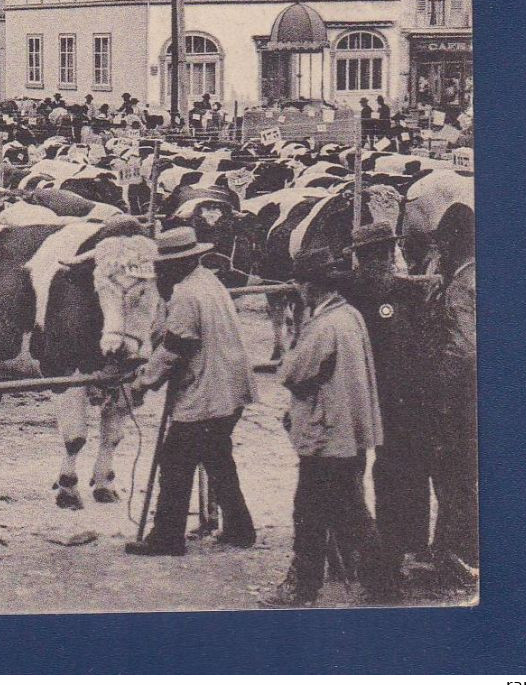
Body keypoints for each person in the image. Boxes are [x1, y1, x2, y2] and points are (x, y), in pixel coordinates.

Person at [262, 246, 387, 607]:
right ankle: (381, 580)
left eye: (300, 284)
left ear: (310, 287)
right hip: (347, 431)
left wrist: (288, 349)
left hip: (327, 432)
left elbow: (292, 371)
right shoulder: (349, 315)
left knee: (311, 511)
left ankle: (302, 586)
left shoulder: (323, 325)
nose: (299, 291)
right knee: (348, 507)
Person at [126, 226, 257, 556]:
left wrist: (143, 381)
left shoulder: (186, 294)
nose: (159, 271)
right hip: (229, 387)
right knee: (218, 458)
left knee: (174, 463)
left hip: (207, 393)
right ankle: (241, 529)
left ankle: (167, 537)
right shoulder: (208, 282)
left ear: (179, 263)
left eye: (163, 265)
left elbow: (175, 348)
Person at [341, 221, 439, 597]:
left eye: (379, 254)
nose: (378, 261)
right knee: (385, 476)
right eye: (372, 255)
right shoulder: (371, 289)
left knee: (390, 478)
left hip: (392, 401)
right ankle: (390, 554)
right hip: (389, 399)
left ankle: (392, 560)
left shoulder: (383, 290)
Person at [423, 209, 478, 583]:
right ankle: (457, 547)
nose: (437, 250)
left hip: (458, 397)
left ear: (451, 243)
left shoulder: (461, 286)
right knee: (463, 475)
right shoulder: (474, 274)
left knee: (452, 473)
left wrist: (440, 395)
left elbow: (463, 348)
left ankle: (457, 553)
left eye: (442, 242)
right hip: (473, 396)